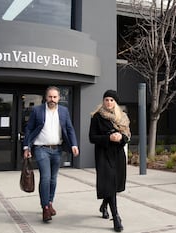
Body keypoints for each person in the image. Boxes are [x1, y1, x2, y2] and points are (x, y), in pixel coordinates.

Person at [23, 86, 79, 222]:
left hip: (57, 149)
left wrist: (74, 144)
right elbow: (29, 129)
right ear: (46, 97)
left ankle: (50, 202)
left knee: (53, 179)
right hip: (41, 149)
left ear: (59, 98)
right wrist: (26, 147)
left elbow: (70, 128)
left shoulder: (64, 111)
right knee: (46, 178)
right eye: (50, 97)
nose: (52, 99)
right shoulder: (38, 110)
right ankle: (45, 208)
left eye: (55, 97)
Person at [89, 90, 130, 232]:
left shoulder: (122, 117)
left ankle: (104, 205)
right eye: (106, 99)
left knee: (115, 185)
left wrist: (121, 138)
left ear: (116, 102)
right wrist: (108, 138)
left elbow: (127, 136)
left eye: (112, 100)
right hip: (103, 154)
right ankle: (116, 217)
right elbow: (92, 137)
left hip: (118, 154)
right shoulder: (96, 117)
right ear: (103, 101)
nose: (109, 102)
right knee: (109, 183)